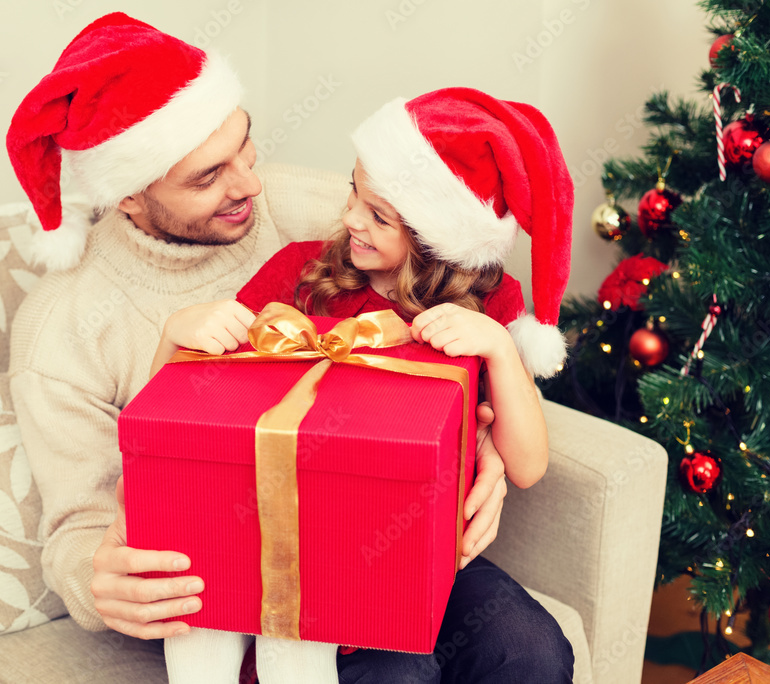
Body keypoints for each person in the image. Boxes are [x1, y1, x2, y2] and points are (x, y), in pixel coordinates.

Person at [5, 12, 515, 682]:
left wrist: (487, 448)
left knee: (526, 649)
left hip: (386, 527)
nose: (250, 183)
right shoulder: (63, 327)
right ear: (127, 196)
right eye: (208, 176)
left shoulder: (308, 208)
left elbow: (448, 271)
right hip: (246, 586)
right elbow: (78, 529)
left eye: (246, 146)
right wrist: (98, 579)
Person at [152, 88, 576, 684]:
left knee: (532, 648)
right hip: (309, 555)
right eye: (354, 191)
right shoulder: (301, 276)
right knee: (398, 672)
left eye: (379, 215)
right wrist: (179, 338)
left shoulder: (490, 303)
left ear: (438, 239)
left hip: (428, 555)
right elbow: (192, 411)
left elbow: (527, 466)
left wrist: (500, 349)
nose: (351, 217)